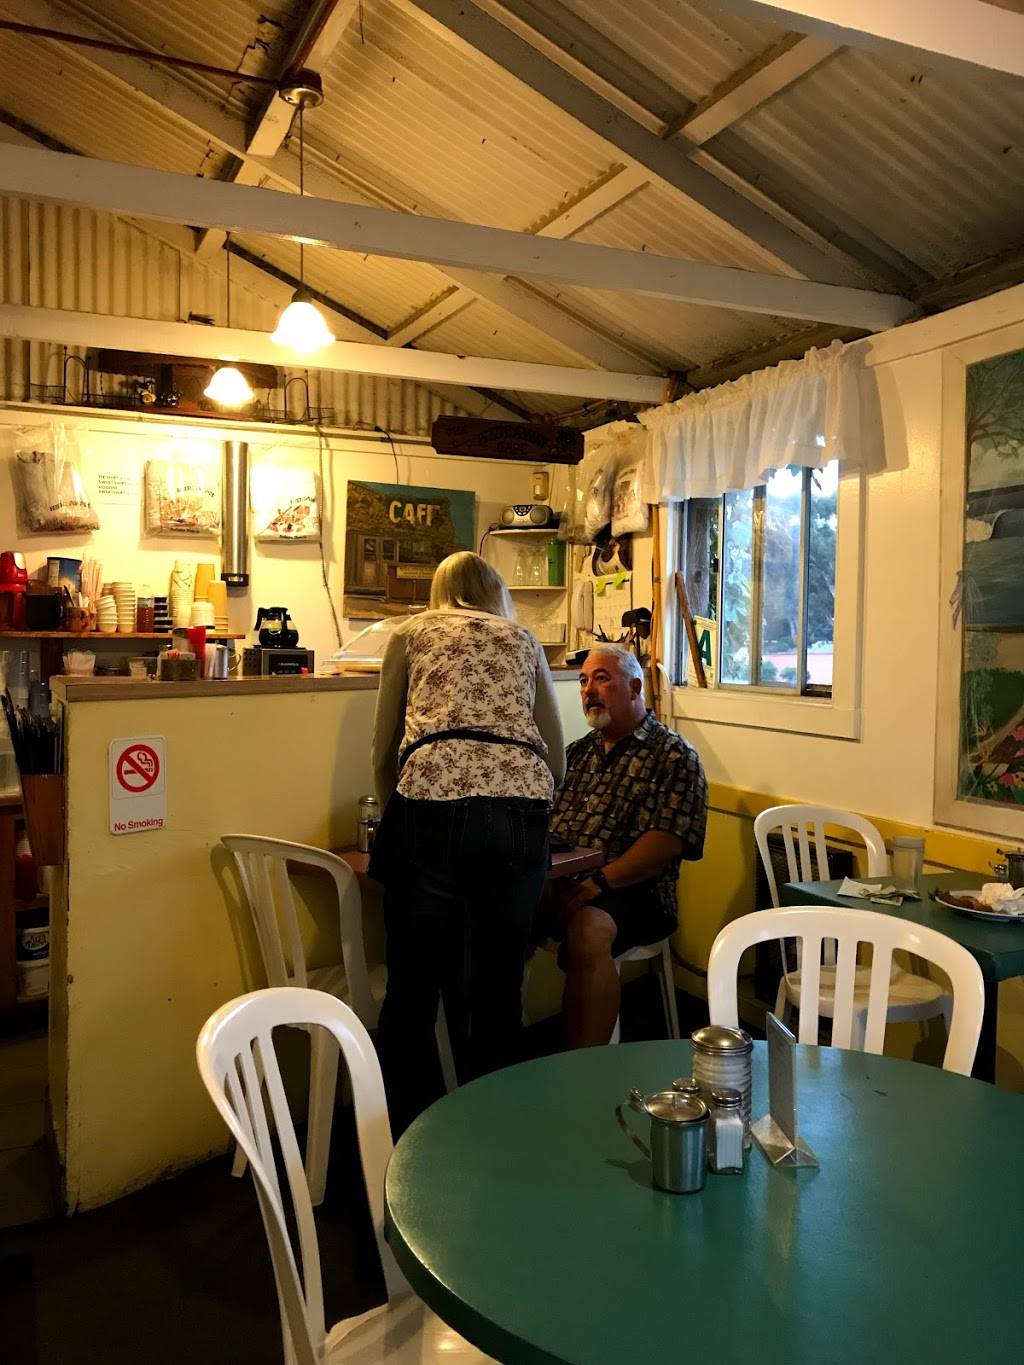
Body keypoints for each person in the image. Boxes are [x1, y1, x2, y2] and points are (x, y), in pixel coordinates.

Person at [371, 550, 565, 1132]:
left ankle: (404, 1136)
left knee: (413, 985)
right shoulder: (523, 639)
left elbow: (384, 746)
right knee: (500, 984)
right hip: (520, 807)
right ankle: (495, 1132)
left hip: (429, 800)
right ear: (496, 592)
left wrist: (396, 812)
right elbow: (555, 753)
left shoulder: (411, 633)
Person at [548, 646, 707, 1048]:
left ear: (635, 687)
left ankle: (583, 1068)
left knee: (588, 928)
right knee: (493, 911)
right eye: (583, 681)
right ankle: (490, 1059)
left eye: (601, 678)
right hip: (566, 882)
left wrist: (596, 884)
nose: (588, 690)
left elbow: (664, 844)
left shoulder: (674, 755)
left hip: (639, 893)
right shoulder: (576, 754)